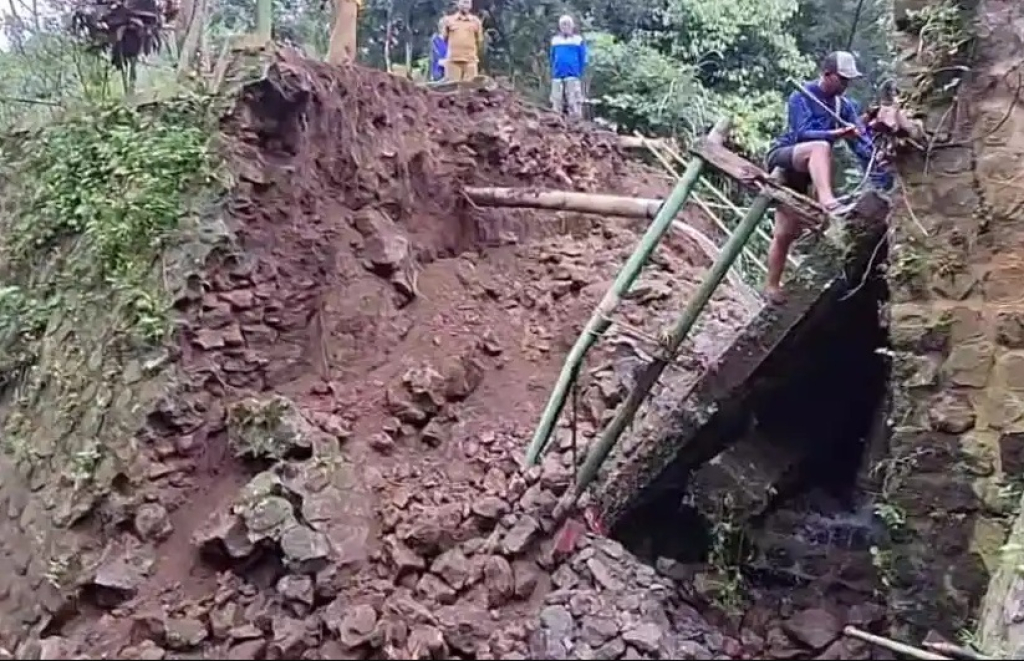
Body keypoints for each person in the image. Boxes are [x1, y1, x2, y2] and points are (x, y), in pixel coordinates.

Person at [762, 50, 890, 304]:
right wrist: (838, 134)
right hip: (788, 157)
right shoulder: (801, 96)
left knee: (786, 232)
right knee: (820, 146)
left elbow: (861, 143)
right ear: (827, 74)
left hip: (810, 173)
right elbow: (802, 134)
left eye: (848, 81)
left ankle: (771, 286)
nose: (844, 85)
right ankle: (827, 200)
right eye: (841, 79)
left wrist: (879, 159)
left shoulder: (846, 107)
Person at [550, 15, 587, 119]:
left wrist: (579, 72)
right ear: (560, 27)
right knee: (556, 100)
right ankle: (556, 121)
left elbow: (583, 57)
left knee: (573, 100)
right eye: (563, 24)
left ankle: (576, 123)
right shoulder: (555, 40)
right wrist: (554, 70)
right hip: (557, 75)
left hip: (573, 74)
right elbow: (552, 56)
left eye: (567, 24)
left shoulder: (578, 40)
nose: (565, 27)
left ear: (572, 26)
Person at [441, 0, 483, 83]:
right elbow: (444, 39)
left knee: (470, 89)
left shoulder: (476, 22)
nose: (465, 5)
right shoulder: (448, 20)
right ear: (458, 4)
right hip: (453, 61)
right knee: (451, 89)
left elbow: (479, 41)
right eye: (464, 2)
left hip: (470, 61)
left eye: (468, 3)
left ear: (471, 5)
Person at [429, 18, 448, 82]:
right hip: (438, 70)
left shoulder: (450, 40)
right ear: (440, 28)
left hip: (449, 69)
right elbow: (435, 56)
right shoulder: (435, 39)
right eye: (445, 28)